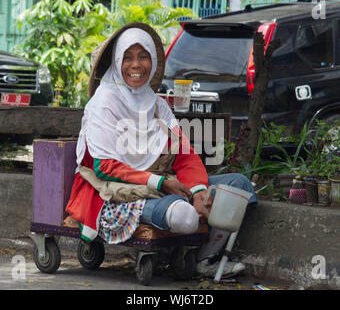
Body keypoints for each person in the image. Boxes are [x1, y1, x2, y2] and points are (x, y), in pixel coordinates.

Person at [65, 22, 257, 278]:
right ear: (116, 61)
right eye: (128, 57)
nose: (136, 65)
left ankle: (206, 258)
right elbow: (104, 166)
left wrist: (199, 192)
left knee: (239, 186)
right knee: (184, 215)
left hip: (165, 185)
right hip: (113, 193)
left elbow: (183, 154)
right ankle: (179, 231)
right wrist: (162, 184)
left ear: (153, 61)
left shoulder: (157, 105)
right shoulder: (102, 104)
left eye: (143, 56)